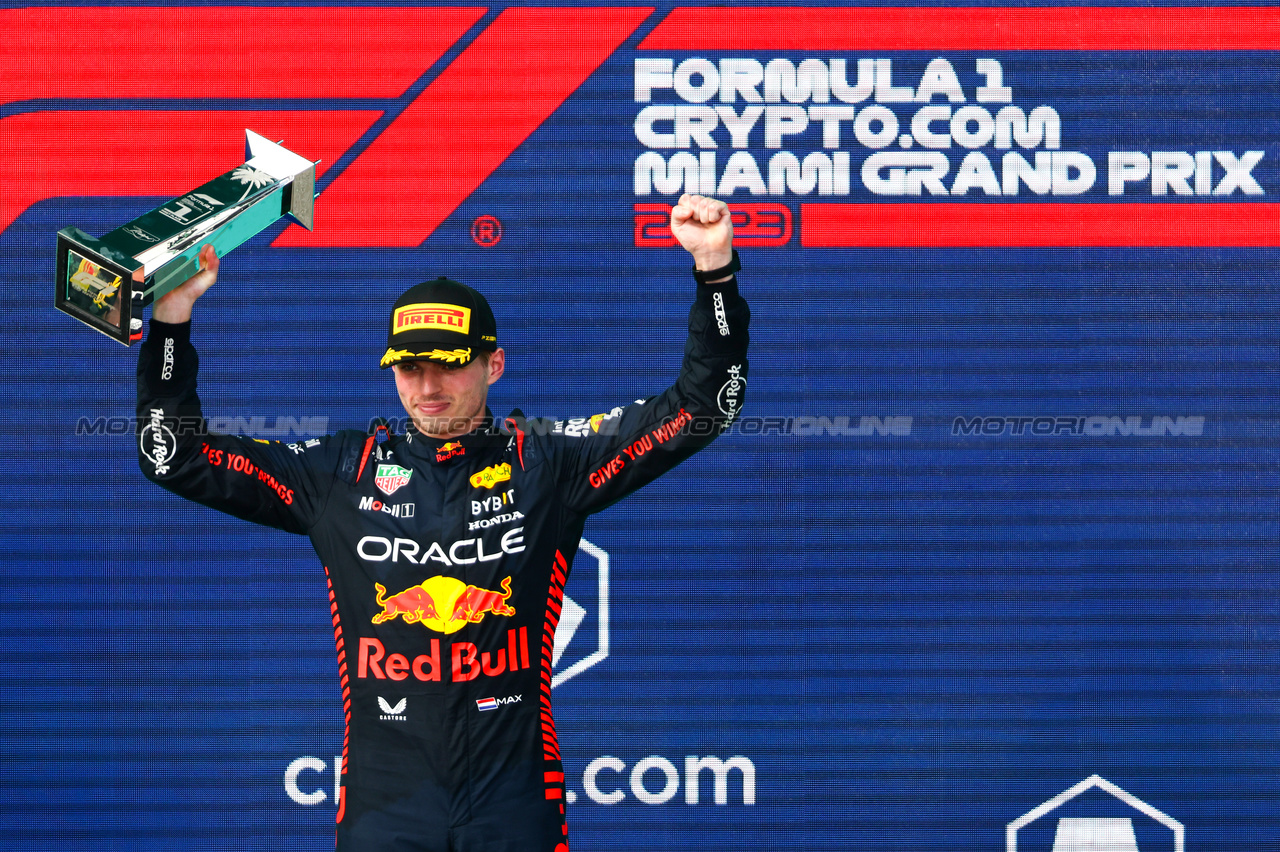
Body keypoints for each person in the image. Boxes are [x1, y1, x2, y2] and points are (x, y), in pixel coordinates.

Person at [137, 193, 749, 851]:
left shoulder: (550, 460)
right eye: (409, 367)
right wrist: (172, 319)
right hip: (385, 806)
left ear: (494, 364)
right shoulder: (342, 471)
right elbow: (172, 456)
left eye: (450, 365)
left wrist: (714, 272)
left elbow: (706, 406)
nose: (428, 387)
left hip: (513, 801)